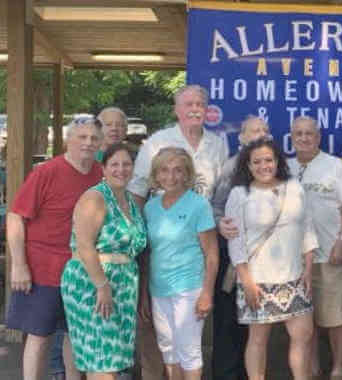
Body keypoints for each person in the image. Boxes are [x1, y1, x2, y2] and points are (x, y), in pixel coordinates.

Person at [128, 84, 228, 380]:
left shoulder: (218, 144)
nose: (195, 109)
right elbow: (137, 193)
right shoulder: (157, 142)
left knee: (189, 345)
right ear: (177, 110)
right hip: (162, 252)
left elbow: (221, 195)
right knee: (165, 343)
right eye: (188, 104)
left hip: (198, 248)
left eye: (200, 103)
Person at [6, 118, 103, 380]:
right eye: (81, 137)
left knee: (75, 335)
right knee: (39, 336)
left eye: (94, 138)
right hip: (43, 270)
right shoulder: (46, 172)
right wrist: (19, 264)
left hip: (82, 271)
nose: (88, 143)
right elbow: (16, 216)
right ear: (67, 141)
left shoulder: (100, 174)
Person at [225, 137, 318, 380]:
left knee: (303, 336)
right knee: (258, 340)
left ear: (278, 161)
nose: (263, 166)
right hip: (257, 280)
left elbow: (307, 228)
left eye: (268, 160)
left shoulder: (294, 187)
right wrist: (246, 281)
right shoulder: (239, 194)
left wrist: (308, 270)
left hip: (295, 276)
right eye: (257, 162)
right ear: (248, 165)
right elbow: (236, 242)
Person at [60, 143, 147, 378]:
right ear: (104, 169)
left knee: (113, 359)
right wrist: (102, 285)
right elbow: (84, 245)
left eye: (126, 164)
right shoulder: (95, 198)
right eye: (114, 164)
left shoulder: (129, 200)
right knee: (102, 359)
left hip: (124, 285)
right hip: (93, 283)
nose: (121, 169)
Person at [144, 147, 219, 380]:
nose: (171, 176)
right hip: (159, 289)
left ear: (187, 174)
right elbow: (149, 252)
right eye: (164, 170)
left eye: (178, 170)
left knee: (189, 351)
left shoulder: (198, 205)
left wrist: (207, 292)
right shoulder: (150, 207)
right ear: (156, 175)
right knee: (168, 350)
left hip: (189, 289)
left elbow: (212, 253)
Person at [287, 116, 342, 380]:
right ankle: (312, 367)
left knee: (335, 318)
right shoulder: (283, 167)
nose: (304, 138)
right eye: (298, 133)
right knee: (304, 320)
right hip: (295, 260)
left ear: (318, 137)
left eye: (309, 133)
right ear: (292, 137)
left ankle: (339, 367)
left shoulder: (335, 165)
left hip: (330, 254)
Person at [210, 115, 269, 380]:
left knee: (254, 322)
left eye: (264, 130)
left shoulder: (274, 169)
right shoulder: (232, 167)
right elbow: (215, 207)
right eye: (254, 131)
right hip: (233, 260)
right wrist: (219, 224)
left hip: (264, 259)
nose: (260, 135)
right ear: (242, 137)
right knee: (228, 321)